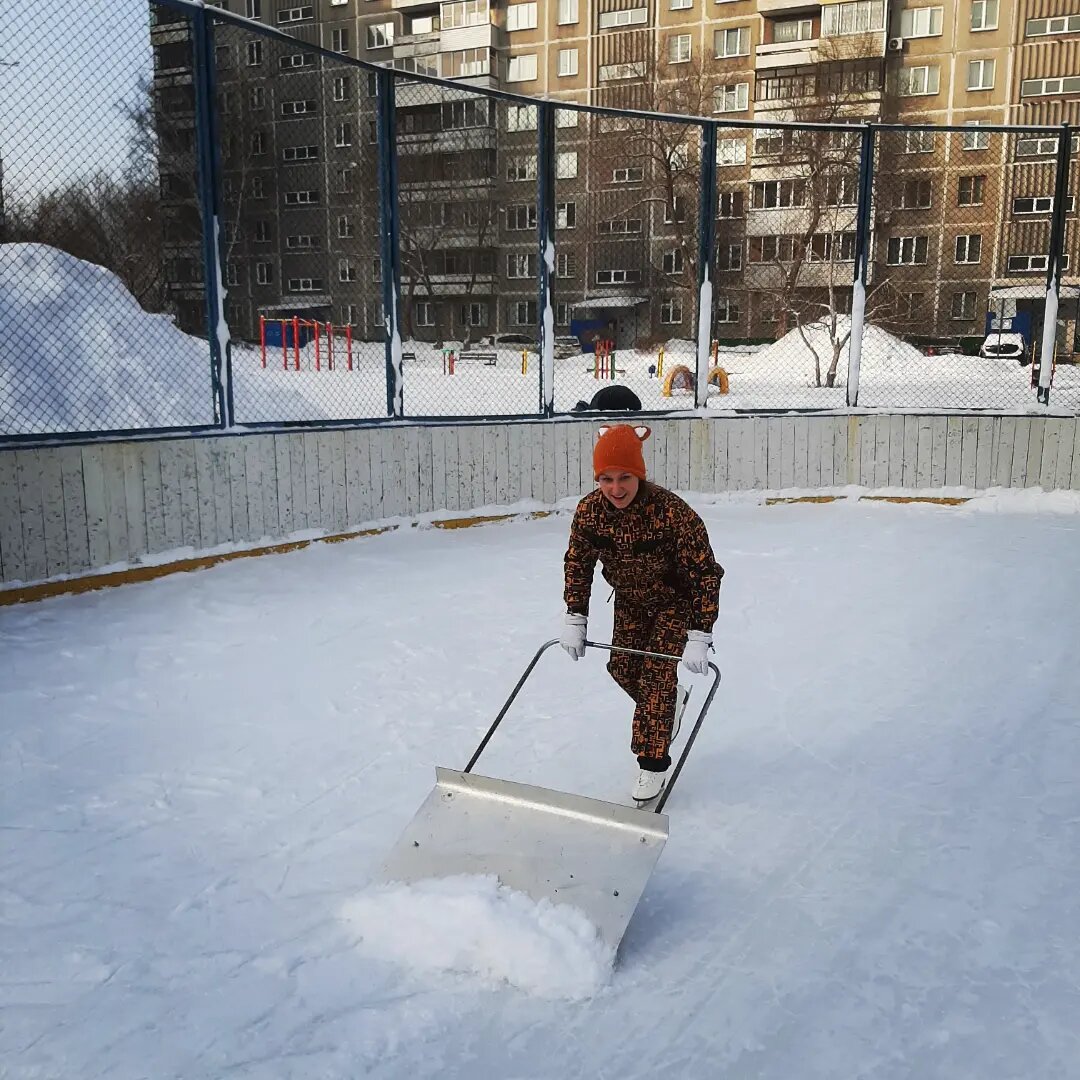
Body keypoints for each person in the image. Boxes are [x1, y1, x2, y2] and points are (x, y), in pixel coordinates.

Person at [559, 424, 724, 804]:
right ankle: (672, 700)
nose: (615, 488)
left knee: (653, 682)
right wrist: (575, 616)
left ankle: (651, 765)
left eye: (624, 478)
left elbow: (705, 574)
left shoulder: (672, 513)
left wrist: (699, 634)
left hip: (674, 603)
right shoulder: (590, 512)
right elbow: (577, 563)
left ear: (639, 474)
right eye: (606, 479)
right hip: (630, 601)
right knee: (623, 669)